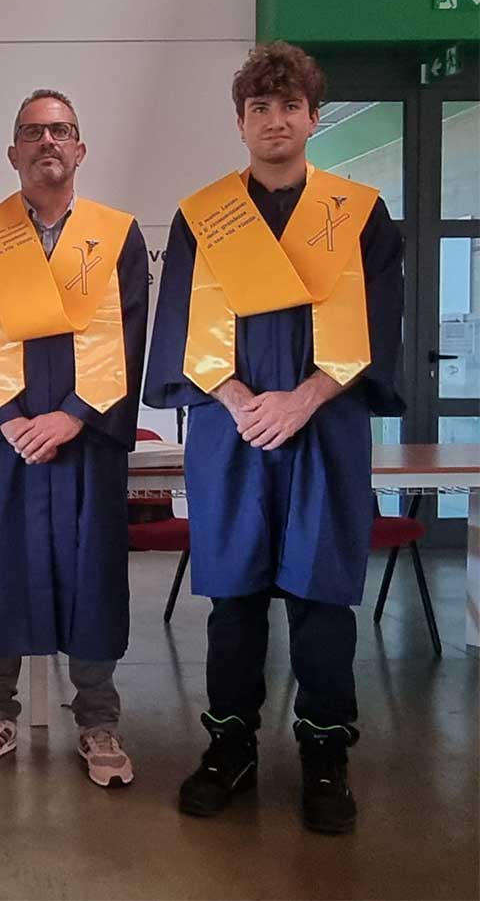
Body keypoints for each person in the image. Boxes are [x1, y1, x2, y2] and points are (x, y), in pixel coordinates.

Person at [143, 42, 404, 834]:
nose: (276, 120)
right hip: (233, 430)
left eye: (291, 106)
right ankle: (230, 748)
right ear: (240, 122)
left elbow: (379, 325)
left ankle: (326, 755)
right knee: (235, 598)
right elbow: (181, 325)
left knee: (323, 601)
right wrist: (239, 400)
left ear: (314, 118)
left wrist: (305, 399)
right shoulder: (204, 216)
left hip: (325, 427)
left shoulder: (358, 213)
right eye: (260, 107)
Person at [0, 89, 148, 785]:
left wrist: (75, 415)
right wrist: (8, 420)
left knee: (93, 571)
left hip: (84, 434)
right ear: (13, 153)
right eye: (32, 133)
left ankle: (97, 719)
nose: (47, 142)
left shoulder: (117, 236)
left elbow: (130, 332)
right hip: (5, 438)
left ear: (80, 149)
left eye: (60, 130)